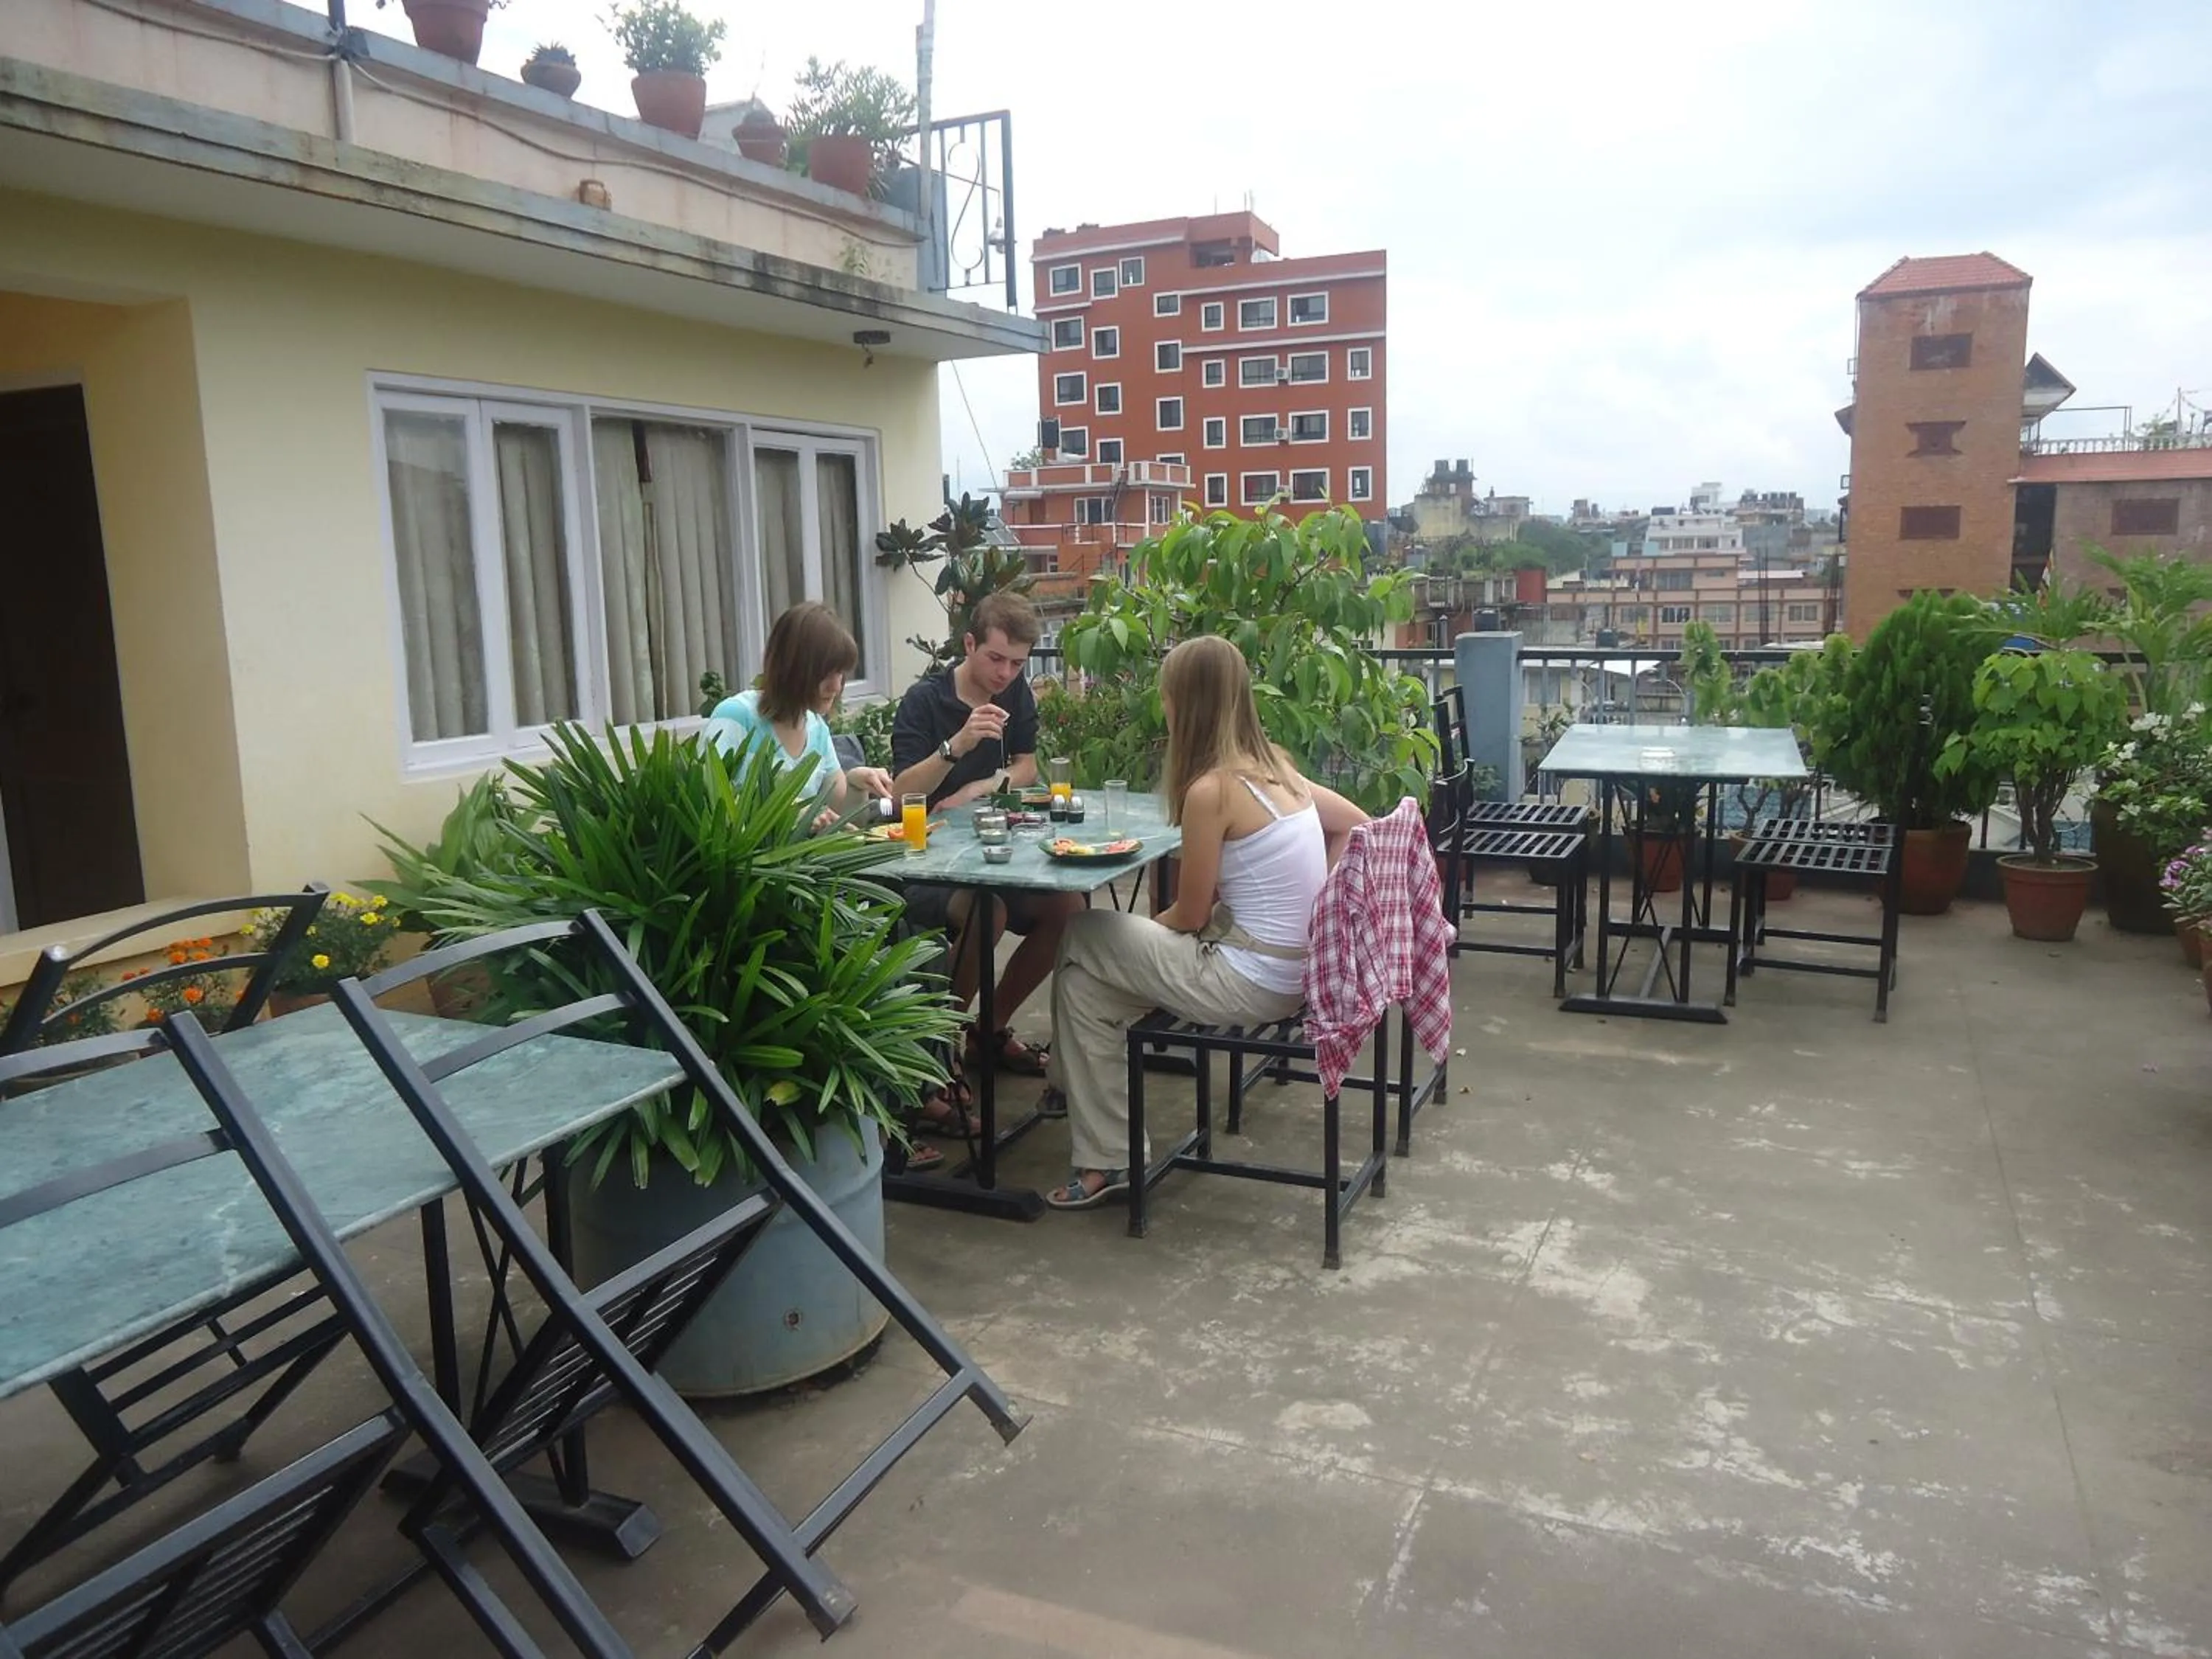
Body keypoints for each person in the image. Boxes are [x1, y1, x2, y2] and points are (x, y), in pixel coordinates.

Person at [1042, 636, 1368, 1208]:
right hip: (1295, 974)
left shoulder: (1211, 792)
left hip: (1249, 982)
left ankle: (1073, 1100)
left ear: (1183, 704)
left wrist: (1146, 939)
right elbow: (1358, 824)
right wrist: (1325, 916)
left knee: (1085, 933)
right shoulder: (1280, 770)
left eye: (1166, 696)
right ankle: (1103, 1151)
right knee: (1082, 987)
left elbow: (1189, 917)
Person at [889, 591, 1079, 1134]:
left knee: (1068, 906)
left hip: (995, 855)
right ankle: (935, 1049)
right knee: (986, 911)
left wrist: (984, 783)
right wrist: (955, 747)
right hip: (924, 864)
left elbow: (1026, 766)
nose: (1006, 673)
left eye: (1018, 663)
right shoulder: (925, 702)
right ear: (969, 644)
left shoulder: (1015, 693)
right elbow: (902, 793)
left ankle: (986, 1031)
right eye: (996, 658)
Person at [703, 602, 894, 829]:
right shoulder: (736, 717)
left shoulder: (816, 728)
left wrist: (856, 782)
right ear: (791, 668)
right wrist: (785, 813)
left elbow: (846, 818)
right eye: (825, 673)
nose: (836, 686)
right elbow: (708, 803)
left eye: (841, 673)